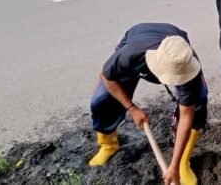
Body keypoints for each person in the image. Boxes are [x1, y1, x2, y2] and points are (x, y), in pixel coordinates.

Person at [89, 23, 208, 185]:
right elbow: (107, 76)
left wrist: (172, 165)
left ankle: (182, 163)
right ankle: (108, 145)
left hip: (174, 47)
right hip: (140, 40)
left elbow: (186, 116)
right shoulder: (131, 54)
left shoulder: (186, 64)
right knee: (102, 100)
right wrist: (132, 108)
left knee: (198, 106)